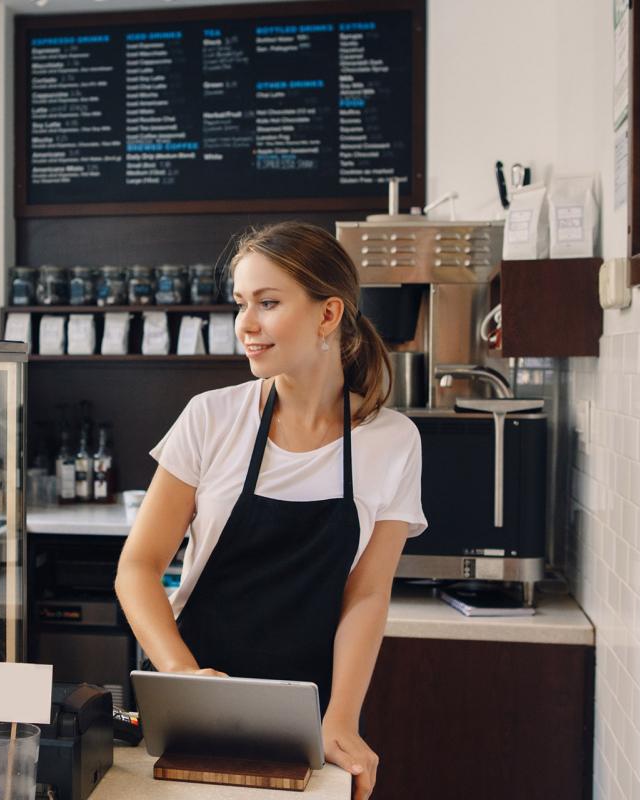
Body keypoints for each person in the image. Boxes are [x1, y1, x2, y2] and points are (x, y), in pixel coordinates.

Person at [115, 221, 427, 800]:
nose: (246, 326)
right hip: (192, 698)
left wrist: (341, 717)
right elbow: (137, 568)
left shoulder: (392, 440)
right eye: (241, 304)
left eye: (268, 302)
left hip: (309, 710)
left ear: (328, 315)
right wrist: (182, 677)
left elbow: (367, 594)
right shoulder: (210, 418)